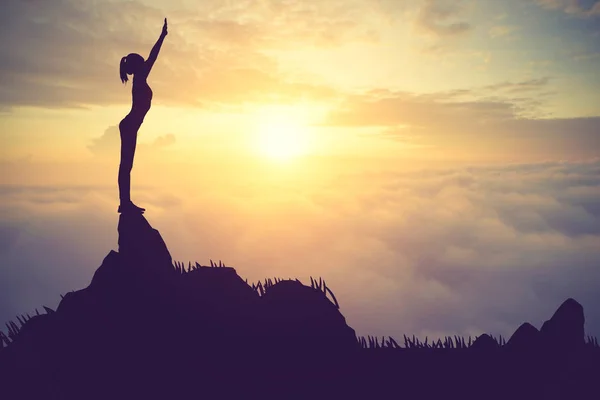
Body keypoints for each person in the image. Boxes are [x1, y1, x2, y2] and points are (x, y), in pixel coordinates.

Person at [117, 18, 168, 213]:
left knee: (127, 164)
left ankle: (125, 202)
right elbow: (153, 56)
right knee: (126, 164)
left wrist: (162, 35)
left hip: (130, 126)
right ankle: (125, 203)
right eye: (143, 62)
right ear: (139, 66)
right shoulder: (140, 79)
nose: (147, 64)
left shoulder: (139, 79)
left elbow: (151, 57)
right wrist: (162, 36)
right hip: (129, 126)